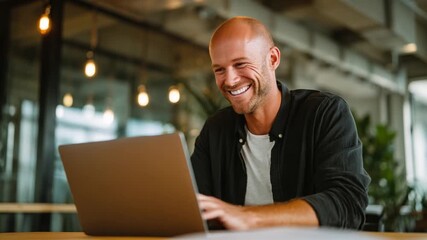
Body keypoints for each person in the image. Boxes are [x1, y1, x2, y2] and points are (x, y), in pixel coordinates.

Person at [190, 16, 371, 231]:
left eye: (240, 64)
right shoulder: (215, 130)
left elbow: (347, 205)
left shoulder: (324, 113)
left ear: (273, 59)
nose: (229, 80)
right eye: (219, 70)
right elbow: (192, 206)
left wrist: (248, 217)